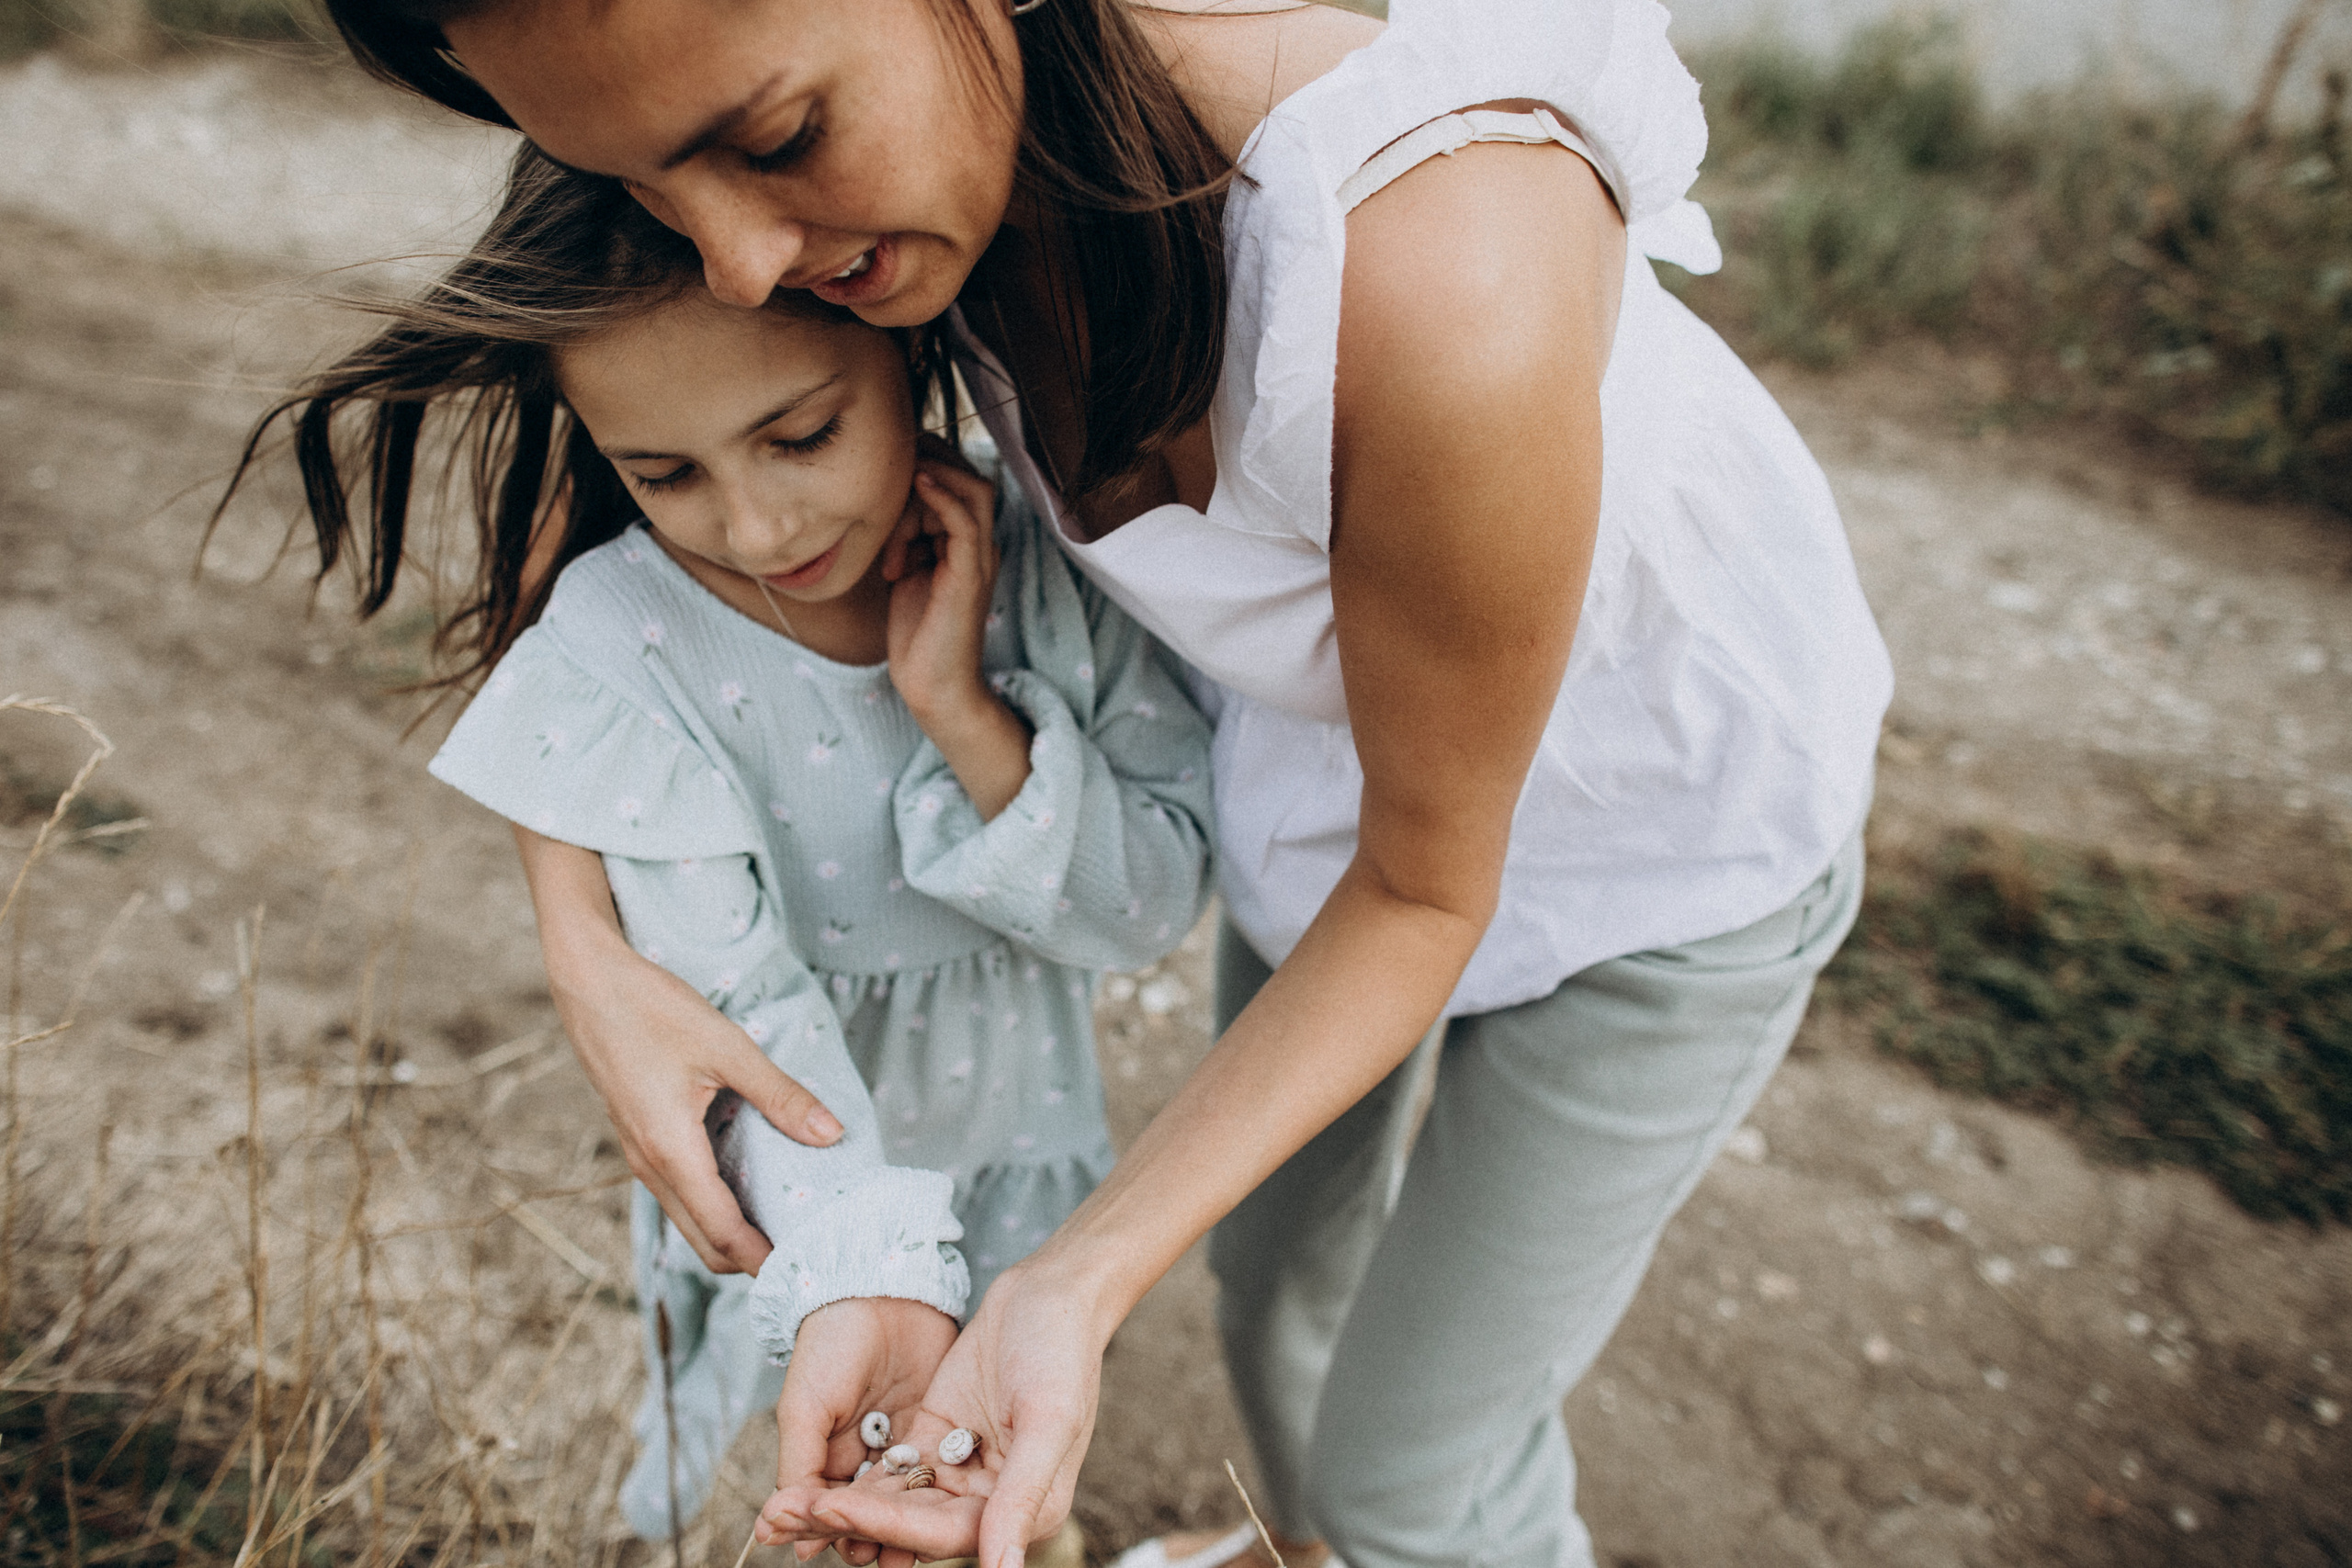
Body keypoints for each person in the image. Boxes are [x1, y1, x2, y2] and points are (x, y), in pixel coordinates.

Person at [311, 0, 1894, 1563]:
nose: (736, 261)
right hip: (1332, 779)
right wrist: (583, 936)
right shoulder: (891, 176)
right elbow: (609, 481)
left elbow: (1427, 887)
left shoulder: (1437, 274)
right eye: (651, 188)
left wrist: (1062, 1281)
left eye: (777, 139)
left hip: (1656, 839)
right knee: (1277, 1279)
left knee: (1415, 1474)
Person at [217, 149, 1214, 1555]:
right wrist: (862, 1277)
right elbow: (747, 1019)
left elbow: (1145, 911)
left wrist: (964, 716)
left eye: (801, 436)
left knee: (1005, 1487)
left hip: (1025, 1155)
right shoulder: (628, 645)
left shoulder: (1054, 566)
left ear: (908, 343)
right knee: (796, 1490)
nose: (754, 529)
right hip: (788, 1193)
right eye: (664, 473)